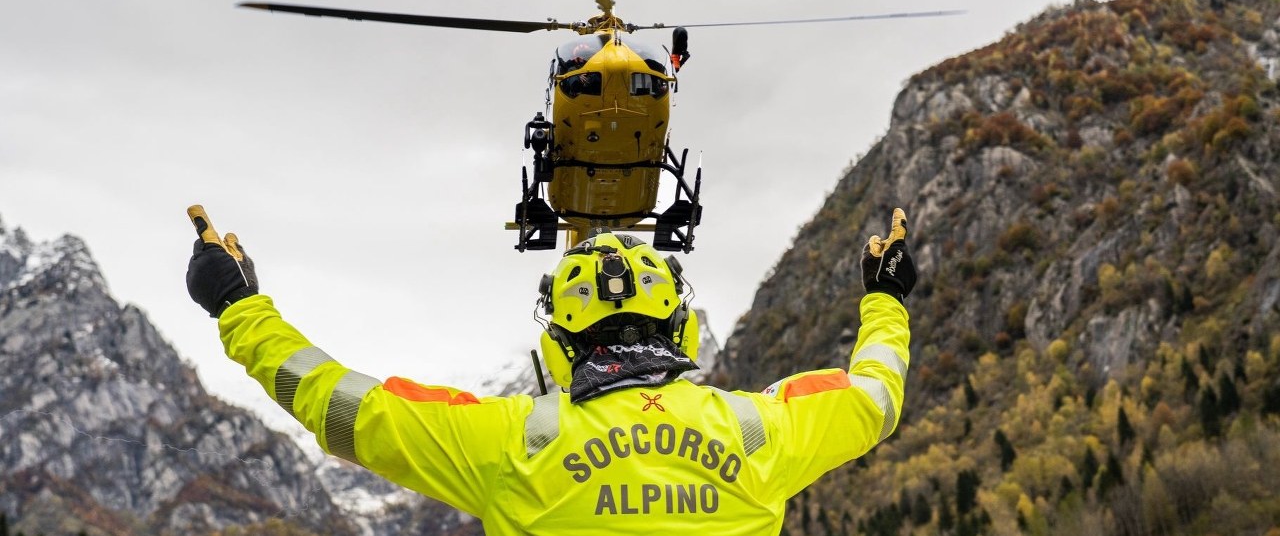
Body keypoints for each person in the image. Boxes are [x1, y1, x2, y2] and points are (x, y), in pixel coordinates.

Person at [185, 207, 915, 534]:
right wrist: (884, 300)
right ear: (685, 330)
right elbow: (876, 397)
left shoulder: (511, 439)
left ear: (559, 349)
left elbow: (340, 407)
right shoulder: (763, 430)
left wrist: (238, 307)